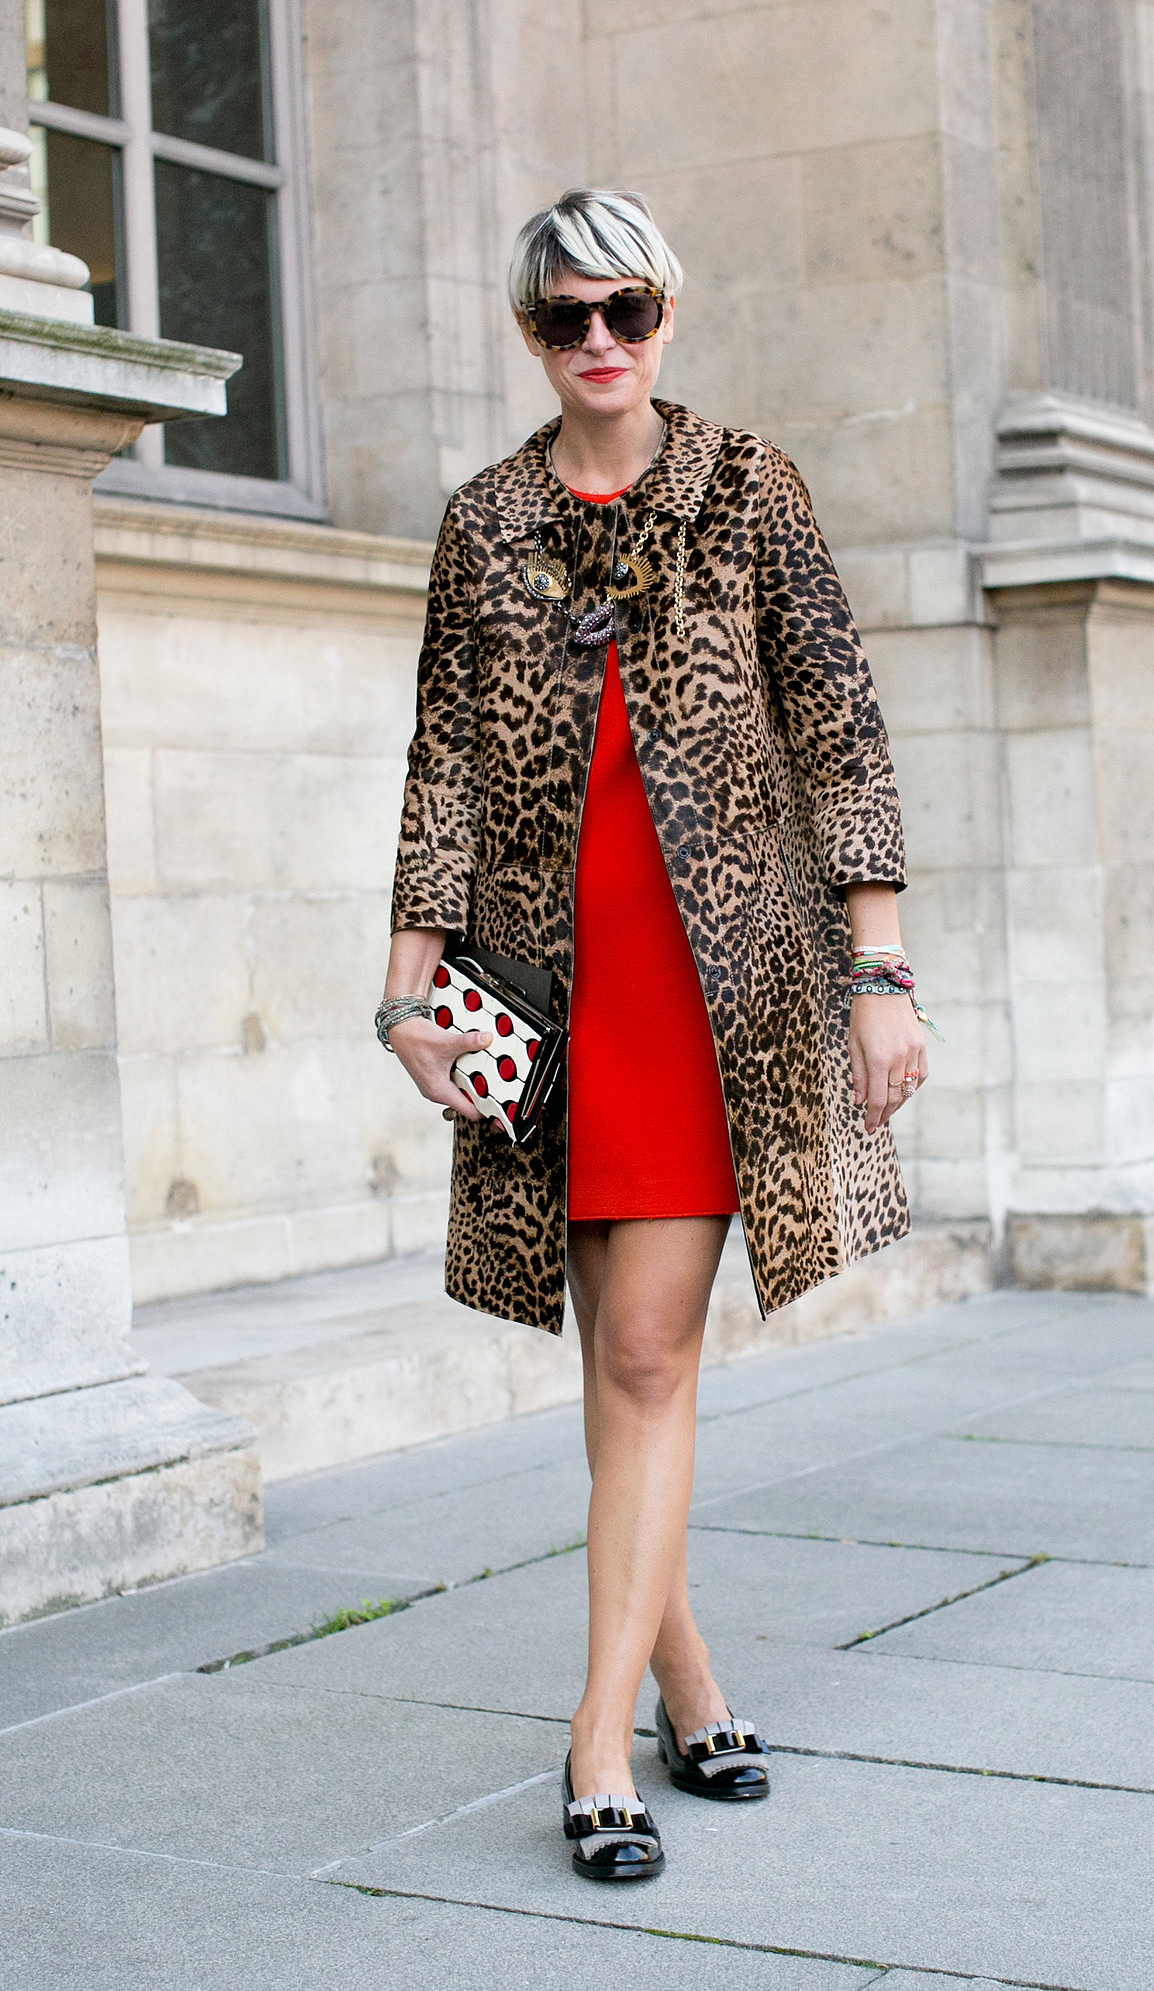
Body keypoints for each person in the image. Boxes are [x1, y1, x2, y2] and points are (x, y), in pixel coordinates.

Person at [376, 190, 929, 1881]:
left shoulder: (748, 485)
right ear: (528, 335)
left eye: (624, 310)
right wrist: (406, 990)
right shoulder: (485, 521)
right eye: (565, 318)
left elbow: (837, 721)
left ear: (666, 314)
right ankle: (689, 1685)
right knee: (624, 1364)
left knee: (641, 1352)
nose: (598, 341)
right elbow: (442, 760)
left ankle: (594, 1739)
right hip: (546, 994)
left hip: (713, 988)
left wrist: (879, 969)